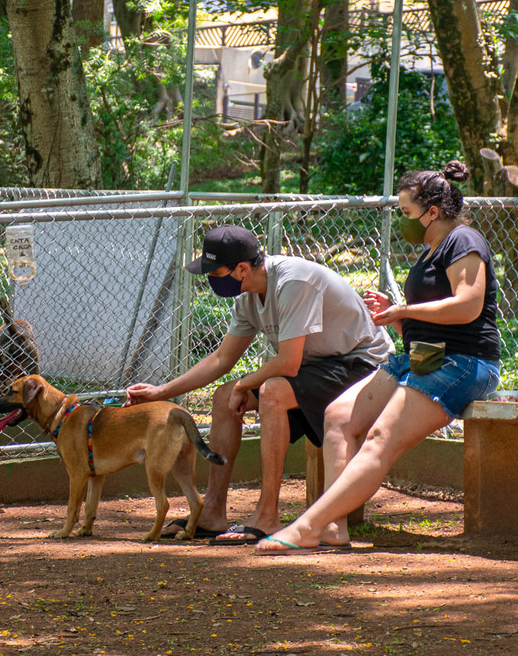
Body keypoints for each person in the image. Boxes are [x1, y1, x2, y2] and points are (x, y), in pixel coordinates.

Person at [255, 161, 501, 554]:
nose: (402, 222)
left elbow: (468, 307)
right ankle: (334, 527)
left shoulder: (464, 240)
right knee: (338, 417)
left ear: (432, 213)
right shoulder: (430, 250)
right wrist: (395, 315)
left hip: (463, 363)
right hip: (424, 355)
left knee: (380, 438)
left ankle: (308, 527)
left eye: (406, 213)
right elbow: (430, 325)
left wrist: (404, 311)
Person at [125, 224, 392, 543]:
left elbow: (288, 362)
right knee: (224, 396)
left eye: (214, 271)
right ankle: (212, 512)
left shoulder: (293, 281)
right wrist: (160, 392)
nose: (209, 279)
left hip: (362, 362)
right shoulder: (248, 297)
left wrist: (244, 384)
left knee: (272, 392)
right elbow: (222, 359)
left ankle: (267, 516)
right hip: (317, 365)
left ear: (241, 269)